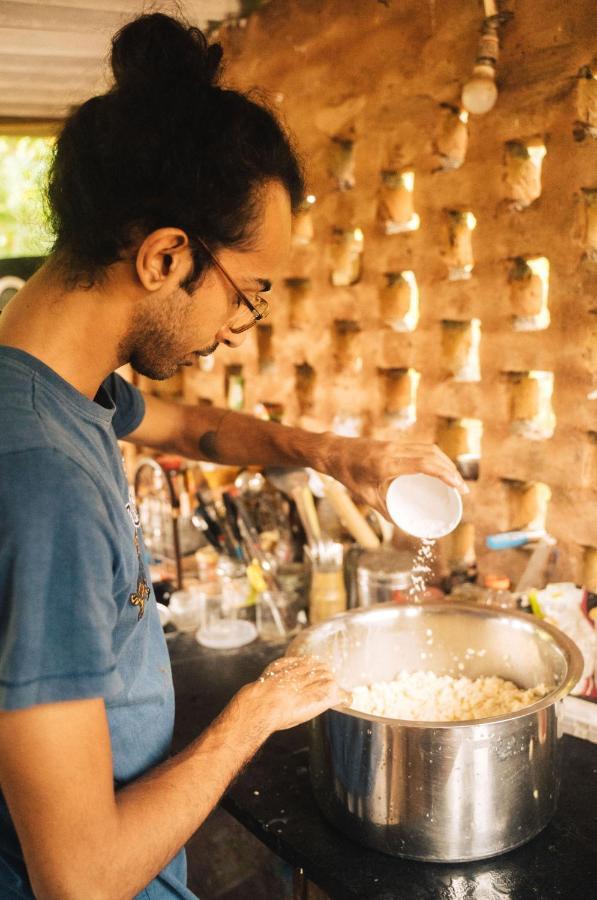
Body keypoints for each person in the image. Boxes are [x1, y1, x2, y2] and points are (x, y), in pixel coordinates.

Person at [0, 13, 466, 899]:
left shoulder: (56, 387)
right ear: (165, 257)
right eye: (245, 296)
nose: (236, 332)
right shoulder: (40, 481)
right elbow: (81, 877)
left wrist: (336, 454)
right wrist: (257, 710)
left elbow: (186, 429)